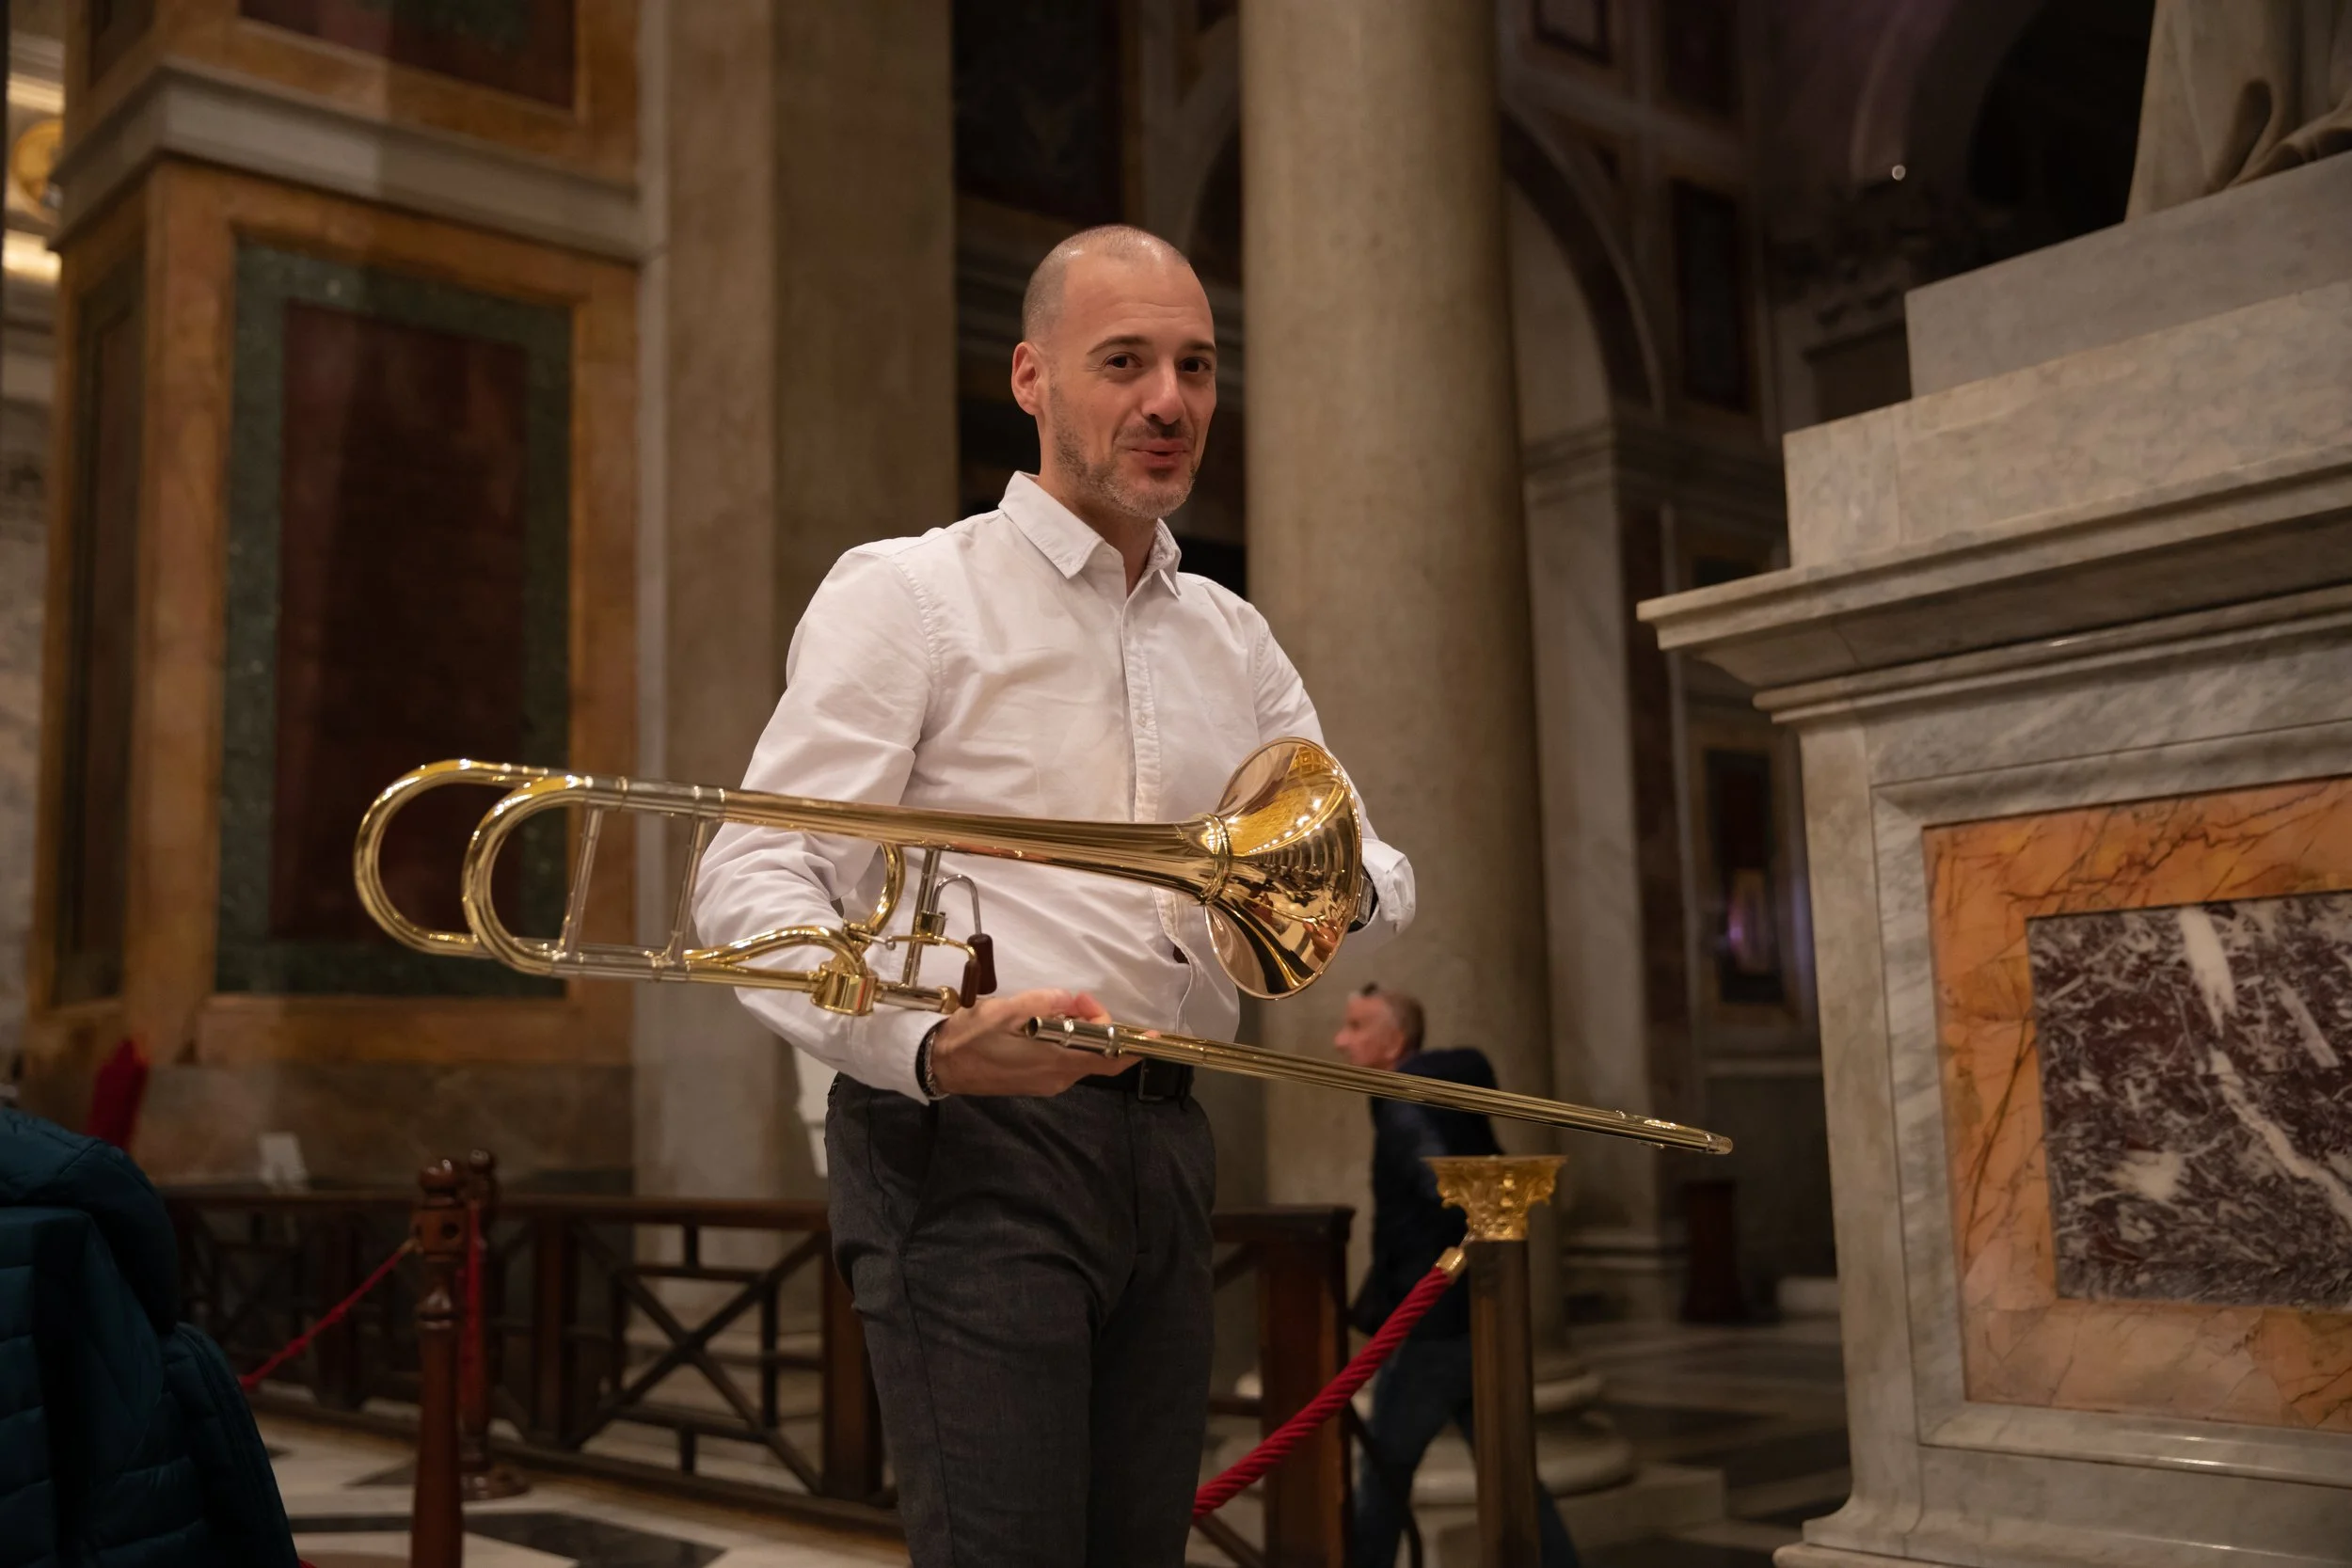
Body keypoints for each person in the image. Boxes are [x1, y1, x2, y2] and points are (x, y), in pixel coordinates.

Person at [691, 225, 1415, 1568]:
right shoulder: (910, 593)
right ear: (1031, 377)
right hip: (966, 1147)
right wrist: (917, 1040)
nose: (1168, 400)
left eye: (1196, 365)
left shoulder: (1234, 636)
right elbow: (750, 874)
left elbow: (1372, 860)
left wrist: (1316, 892)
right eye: (1124, 361)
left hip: (1168, 1138)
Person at [1337, 986, 1581, 1568]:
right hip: (1478, 1308)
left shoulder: (1401, 1100)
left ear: (1394, 1041)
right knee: (1510, 1472)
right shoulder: (1447, 1090)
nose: (1341, 1040)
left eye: (1355, 1026)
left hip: (1433, 1321)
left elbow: (1443, 1188)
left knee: (1383, 1478)